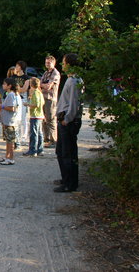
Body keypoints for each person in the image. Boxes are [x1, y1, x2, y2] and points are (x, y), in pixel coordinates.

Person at [54, 54, 83, 193]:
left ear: (70, 64)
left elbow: (74, 103)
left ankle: (70, 184)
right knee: (61, 151)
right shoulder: (71, 79)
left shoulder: (74, 81)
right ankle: (66, 178)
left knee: (68, 153)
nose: (62, 65)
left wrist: (68, 119)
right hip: (64, 120)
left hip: (68, 121)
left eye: (64, 62)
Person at [0, 77, 22, 165]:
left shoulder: (12, 95)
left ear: (9, 85)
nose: (3, 85)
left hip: (11, 121)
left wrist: (1, 106)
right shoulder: (13, 94)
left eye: (4, 84)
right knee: (8, 140)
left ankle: (11, 158)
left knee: (10, 141)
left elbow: (12, 108)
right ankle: (7, 156)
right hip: (8, 121)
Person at [40, 55, 61, 148]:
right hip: (43, 98)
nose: (47, 64)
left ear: (54, 63)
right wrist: (41, 85)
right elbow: (39, 85)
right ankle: (46, 139)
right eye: (46, 62)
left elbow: (48, 86)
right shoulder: (45, 73)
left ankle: (54, 140)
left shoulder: (55, 73)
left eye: (49, 63)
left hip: (50, 99)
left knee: (51, 119)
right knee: (44, 119)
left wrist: (41, 85)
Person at [23, 77, 45, 157]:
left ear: (31, 84)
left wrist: (27, 104)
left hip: (35, 115)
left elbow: (36, 105)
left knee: (34, 133)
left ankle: (33, 150)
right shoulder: (39, 92)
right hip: (40, 115)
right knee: (39, 133)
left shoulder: (35, 93)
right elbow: (42, 103)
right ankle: (40, 149)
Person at [12, 61, 30, 148]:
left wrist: (18, 88)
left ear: (21, 67)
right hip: (15, 99)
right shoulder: (13, 77)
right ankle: (17, 137)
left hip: (23, 99)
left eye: (17, 66)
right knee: (16, 119)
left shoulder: (26, 78)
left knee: (23, 119)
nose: (16, 67)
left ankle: (24, 137)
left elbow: (24, 89)